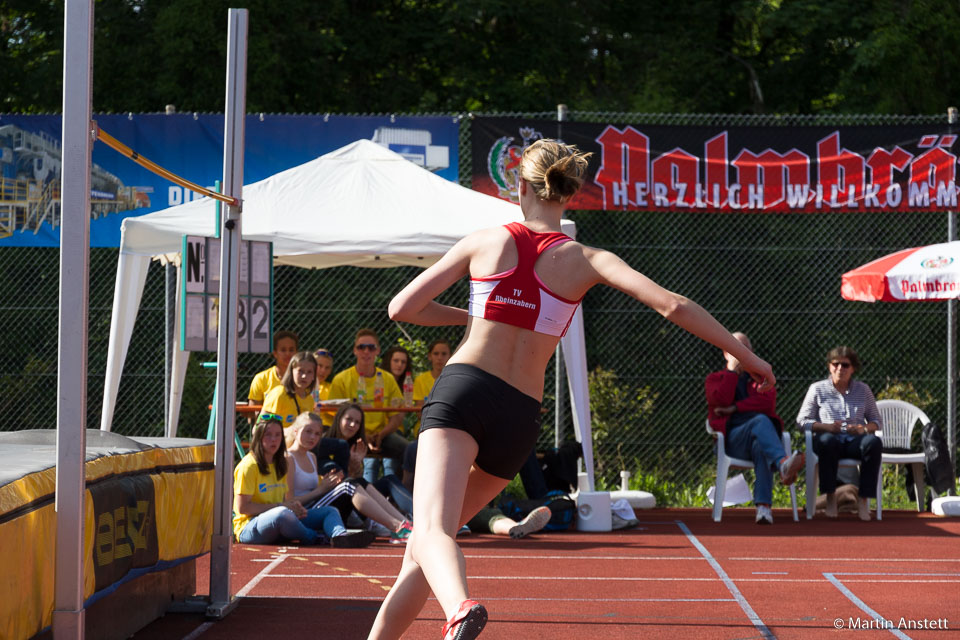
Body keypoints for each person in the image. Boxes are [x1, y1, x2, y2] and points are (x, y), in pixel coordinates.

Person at [366, 138, 775, 640]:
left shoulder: (486, 241)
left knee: (429, 533)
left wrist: (472, 316)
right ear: (569, 194)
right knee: (425, 552)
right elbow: (672, 304)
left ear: (520, 187)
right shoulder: (588, 259)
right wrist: (750, 359)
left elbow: (400, 308)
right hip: (519, 418)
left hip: (466, 391)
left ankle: (461, 608)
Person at [705, 331, 804, 524]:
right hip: (730, 441)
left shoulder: (760, 378)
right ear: (726, 353)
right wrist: (732, 373)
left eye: (745, 350)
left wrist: (735, 408)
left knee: (761, 443)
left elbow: (766, 403)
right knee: (760, 421)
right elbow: (719, 400)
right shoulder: (715, 379)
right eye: (735, 349)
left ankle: (763, 508)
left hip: (760, 440)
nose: (741, 354)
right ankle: (782, 463)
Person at [232, 414, 373, 548]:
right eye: (268, 435)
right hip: (250, 527)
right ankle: (314, 537)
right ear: (258, 436)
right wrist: (282, 507)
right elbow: (242, 508)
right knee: (282, 514)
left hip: (281, 520)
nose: (274, 439)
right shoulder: (249, 466)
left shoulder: (281, 463)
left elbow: (286, 501)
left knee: (329, 511)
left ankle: (340, 536)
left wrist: (295, 508)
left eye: (277, 435)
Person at [286, 412, 412, 541]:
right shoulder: (289, 458)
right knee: (348, 485)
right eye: (308, 431)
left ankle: (407, 524)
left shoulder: (311, 457)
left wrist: (330, 484)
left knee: (358, 481)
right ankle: (397, 528)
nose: (312, 437)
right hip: (304, 513)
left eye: (317, 434)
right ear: (295, 431)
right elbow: (289, 502)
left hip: (319, 506)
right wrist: (320, 490)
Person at [796, 346, 883, 521]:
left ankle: (863, 501)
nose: (840, 369)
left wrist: (863, 429)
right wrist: (826, 427)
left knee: (873, 443)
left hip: (854, 441)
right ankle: (830, 499)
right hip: (828, 439)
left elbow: (877, 422)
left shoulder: (863, 390)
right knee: (828, 441)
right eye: (835, 364)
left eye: (845, 365)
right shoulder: (817, 389)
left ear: (853, 368)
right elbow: (802, 421)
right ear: (829, 366)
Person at [328, 329, 407, 482]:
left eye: (371, 347)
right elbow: (335, 416)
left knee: (411, 450)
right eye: (361, 347)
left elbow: (398, 414)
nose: (366, 351)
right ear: (354, 350)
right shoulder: (341, 379)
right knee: (335, 446)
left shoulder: (387, 378)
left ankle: (402, 493)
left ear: (378, 350)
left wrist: (381, 434)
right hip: (350, 434)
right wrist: (362, 436)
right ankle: (342, 491)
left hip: (381, 435)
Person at [326, 402, 415, 518]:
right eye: (348, 419)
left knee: (389, 480)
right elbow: (336, 484)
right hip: (333, 503)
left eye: (357, 422)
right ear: (338, 419)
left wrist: (356, 467)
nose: (352, 425)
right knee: (362, 483)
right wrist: (351, 467)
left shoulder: (356, 445)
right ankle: (403, 522)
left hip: (355, 500)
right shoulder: (326, 442)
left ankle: (417, 516)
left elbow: (356, 481)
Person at [261, 351, 317, 430]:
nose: (304, 376)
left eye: (309, 372)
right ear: (291, 371)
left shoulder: (310, 400)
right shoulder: (279, 394)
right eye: (300, 371)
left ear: (314, 376)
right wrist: (289, 432)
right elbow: (259, 428)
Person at [411, 338, 452, 436]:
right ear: (429, 356)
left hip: (450, 426)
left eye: (444, 354)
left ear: (450, 356)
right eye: (436, 354)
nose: (439, 358)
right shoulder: (420, 380)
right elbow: (420, 413)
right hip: (425, 426)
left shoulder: (455, 379)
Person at [248, 330, 299, 405]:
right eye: (283, 350)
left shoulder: (304, 377)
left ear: (297, 353)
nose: (288, 353)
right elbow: (252, 412)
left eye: (291, 350)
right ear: (275, 353)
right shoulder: (261, 378)